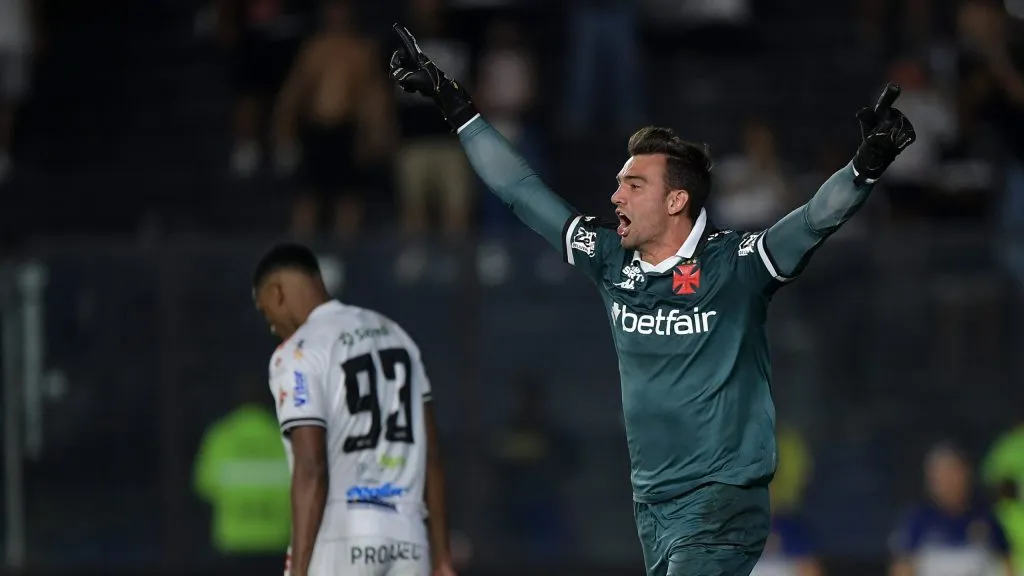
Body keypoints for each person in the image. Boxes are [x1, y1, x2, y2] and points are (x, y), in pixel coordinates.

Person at [388, 24, 916, 576]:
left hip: (722, 500)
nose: (615, 195)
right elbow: (521, 190)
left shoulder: (735, 265)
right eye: (620, 183)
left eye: (634, 185)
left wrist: (864, 169)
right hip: (654, 506)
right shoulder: (609, 259)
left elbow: (811, 222)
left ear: (676, 200)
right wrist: (458, 108)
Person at [252, 243, 457, 576]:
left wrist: (299, 570)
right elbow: (432, 453)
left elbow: (311, 466)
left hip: (344, 532)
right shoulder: (396, 335)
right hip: (409, 538)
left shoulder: (298, 352)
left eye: (265, 313)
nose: (272, 326)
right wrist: (443, 557)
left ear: (277, 293)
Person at [273, 0, 392, 241]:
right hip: (316, 129)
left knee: (349, 198)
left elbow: (374, 95)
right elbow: (294, 93)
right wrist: (284, 132)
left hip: (349, 130)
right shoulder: (313, 49)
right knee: (308, 197)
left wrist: (376, 133)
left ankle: (344, 254)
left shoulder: (363, 50)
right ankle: (299, 253)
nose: (337, 14)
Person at [889, 443, 1013, 576]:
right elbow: (902, 567)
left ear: (966, 475)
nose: (948, 482)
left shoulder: (986, 518)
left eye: (953, 473)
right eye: (940, 475)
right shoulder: (916, 521)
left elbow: (1006, 564)